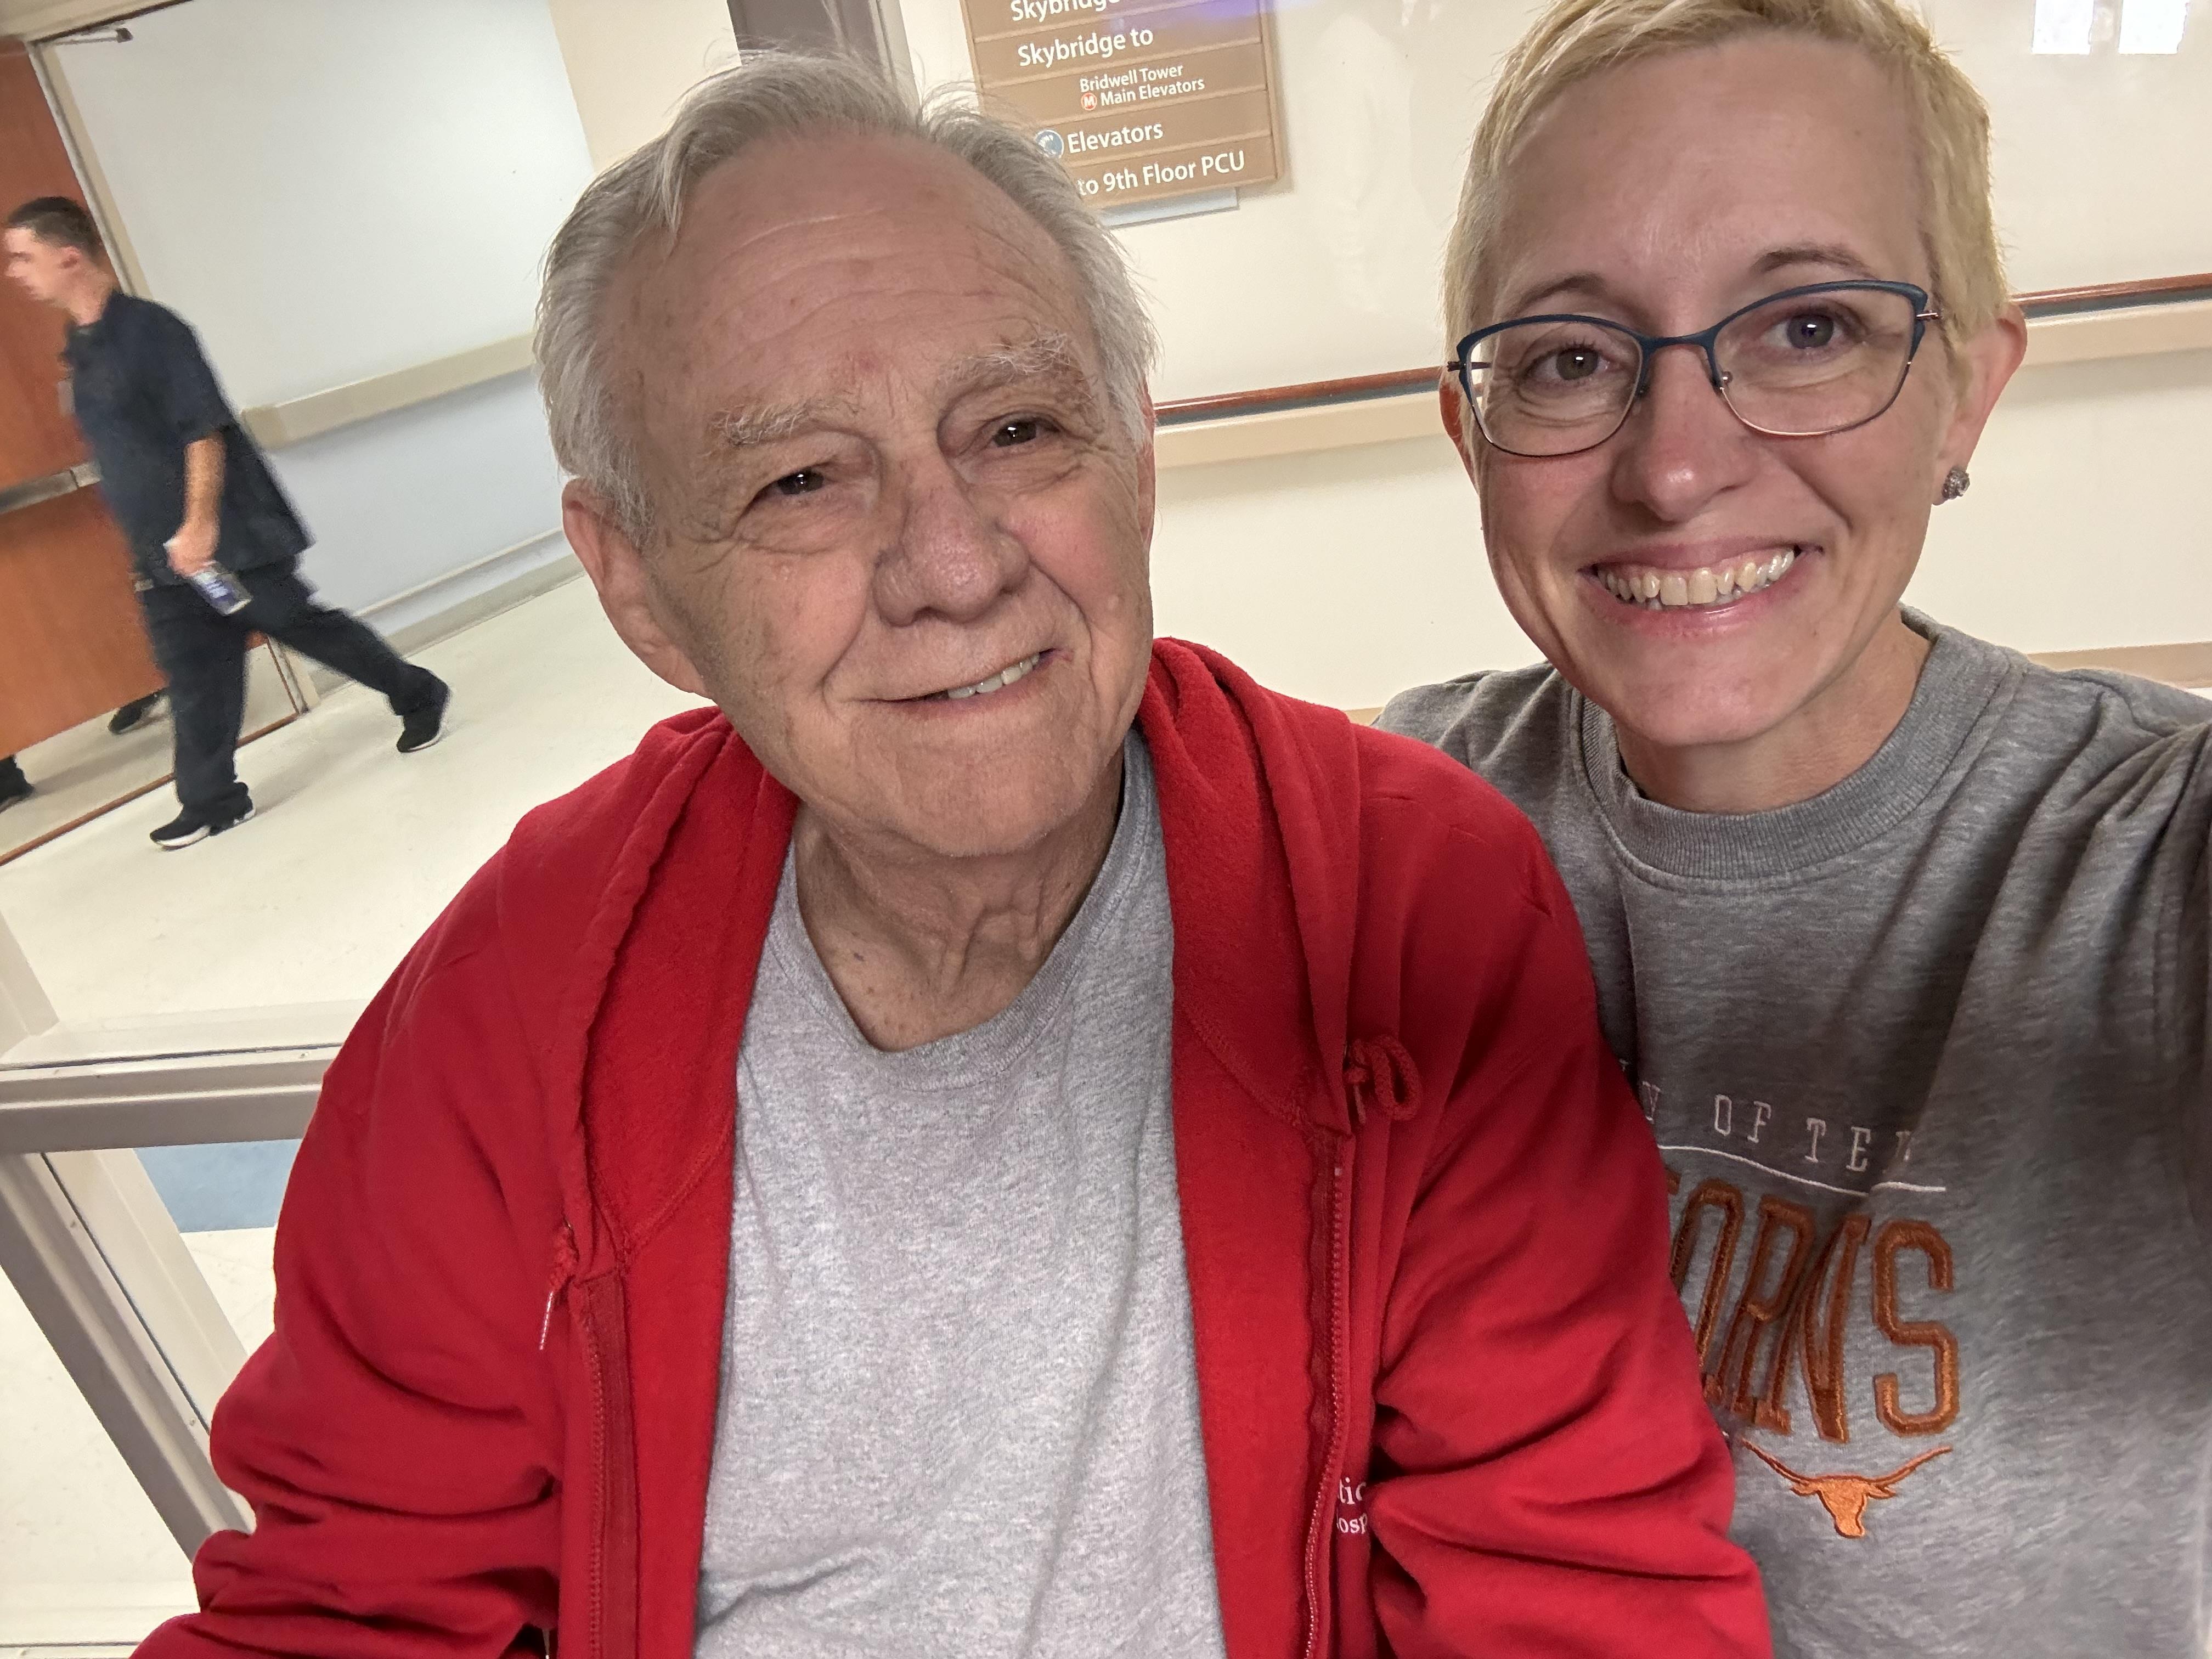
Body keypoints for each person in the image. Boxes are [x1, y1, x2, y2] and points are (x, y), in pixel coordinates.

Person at [136, 57, 1770, 1659]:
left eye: (1015, 428)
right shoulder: (519, 999)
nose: (951, 563)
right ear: (637, 589)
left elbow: (1577, 1585)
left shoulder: (1405, 907)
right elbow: (347, 1604)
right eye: (795, 481)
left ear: (1134, 452)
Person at [1380, 0, 2212, 1652]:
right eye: (1566, 359)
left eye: (1810, 327)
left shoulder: (2147, 858)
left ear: (1965, 391)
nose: (1677, 467)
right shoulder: (1388, 835)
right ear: (1474, 434)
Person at [2, 198, 449, 850]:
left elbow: (203, 431)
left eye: (23, 256)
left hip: (224, 538)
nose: (14, 271)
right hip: (160, 556)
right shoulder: (79, 347)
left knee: (299, 624)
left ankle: (416, 692)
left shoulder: (153, 332)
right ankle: (212, 801)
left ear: (68, 255)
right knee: (193, 670)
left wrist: (200, 526)